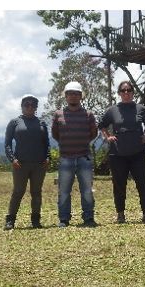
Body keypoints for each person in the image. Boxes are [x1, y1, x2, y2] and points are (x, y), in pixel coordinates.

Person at [99, 81, 145, 224]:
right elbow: (102, 126)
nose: (126, 92)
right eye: (123, 90)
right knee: (119, 185)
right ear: (119, 93)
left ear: (132, 92)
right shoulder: (112, 110)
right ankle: (120, 215)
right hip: (117, 154)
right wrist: (108, 137)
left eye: (129, 90)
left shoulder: (141, 109)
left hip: (138, 153)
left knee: (143, 184)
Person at [50, 81, 98, 228]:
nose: (73, 96)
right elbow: (55, 134)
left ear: (80, 96)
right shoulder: (58, 114)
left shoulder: (88, 115)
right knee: (64, 191)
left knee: (87, 191)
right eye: (70, 94)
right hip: (66, 158)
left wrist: (80, 143)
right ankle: (64, 219)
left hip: (84, 157)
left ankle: (88, 218)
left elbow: (93, 133)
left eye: (76, 94)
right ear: (65, 96)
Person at [3, 95, 50, 229]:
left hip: (39, 164)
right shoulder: (15, 122)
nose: (30, 107)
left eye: (33, 105)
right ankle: (10, 220)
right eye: (27, 104)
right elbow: (7, 144)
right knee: (18, 192)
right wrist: (13, 159)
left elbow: (46, 143)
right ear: (22, 106)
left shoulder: (41, 123)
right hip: (20, 164)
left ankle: (36, 221)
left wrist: (47, 157)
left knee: (36, 192)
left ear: (36, 107)